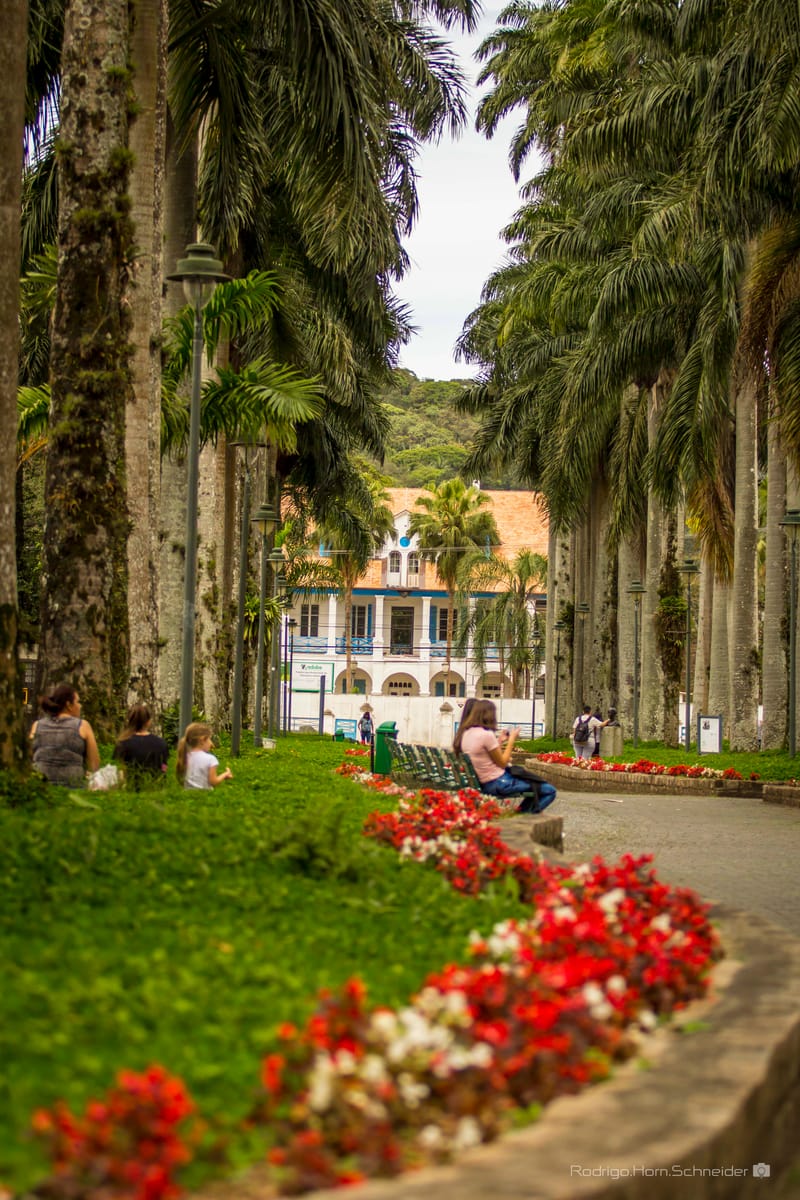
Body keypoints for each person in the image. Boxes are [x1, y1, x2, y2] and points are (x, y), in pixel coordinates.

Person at [453, 698, 556, 813]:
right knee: (549, 790)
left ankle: (521, 814)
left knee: (536, 786)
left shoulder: (467, 733)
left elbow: (485, 755)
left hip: (485, 782)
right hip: (498, 782)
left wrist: (500, 741)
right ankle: (523, 816)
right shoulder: (486, 735)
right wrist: (511, 740)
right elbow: (502, 763)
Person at [30, 684, 101, 786]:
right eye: (78, 702)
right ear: (68, 705)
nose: (80, 706)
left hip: (40, 787)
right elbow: (94, 764)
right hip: (72, 787)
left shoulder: (37, 726)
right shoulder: (83, 726)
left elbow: (28, 757)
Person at [113, 704, 169, 787]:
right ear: (148, 722)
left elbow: (122, 769)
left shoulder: (123, 743)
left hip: (132, 787)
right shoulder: (161, 743)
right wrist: (163, 775)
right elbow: (164, 766)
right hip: (157, 787)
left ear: (129, 721)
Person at [176, 723, 233, 789]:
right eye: (209, 739)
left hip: (188, 793)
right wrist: (225, 775)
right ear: (202, 740)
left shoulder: (185, 756)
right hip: (206, 793)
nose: (211, 743)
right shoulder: (210, 759)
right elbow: (213, 782)